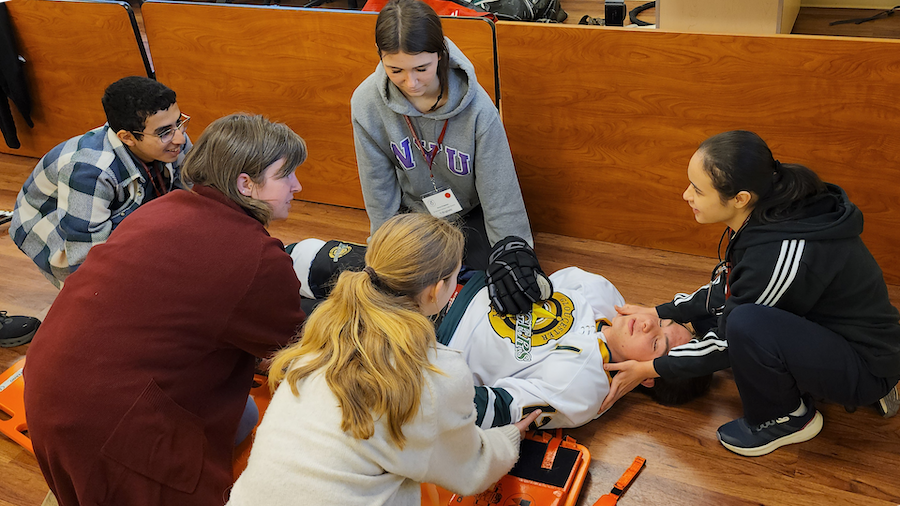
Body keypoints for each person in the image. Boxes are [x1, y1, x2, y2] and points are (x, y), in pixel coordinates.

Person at [23, 114, 307, 506]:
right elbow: (299, 350)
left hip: (49, 394)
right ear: (246, 185)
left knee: (240, 415)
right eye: (286, 175)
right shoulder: (254, 256)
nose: (298, 185)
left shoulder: (162, 208)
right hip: (113, 426)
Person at [603, 130, 900, 457]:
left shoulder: (779, 252)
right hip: (852, 337)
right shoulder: (770, 212)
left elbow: (733, 337)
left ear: (740, 198)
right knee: (735, 318)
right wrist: (660, 311)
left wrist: (650, 369)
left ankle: (787, 418)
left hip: (865, 363)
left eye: (698, 190)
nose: (686, 195)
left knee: (744, 323)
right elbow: (729, 285)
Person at [228, 214, 540, 506]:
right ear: (436, 290)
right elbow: (469, 470)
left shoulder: (321, 337)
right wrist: (510, 436)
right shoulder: (436, 372)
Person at [288, 238, 700, 430]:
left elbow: (493, 409)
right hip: (454, 281)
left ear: (649, 373)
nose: (649, 323)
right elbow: (532, 275)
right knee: (310, 257)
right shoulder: (604, 294)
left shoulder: (585, 389)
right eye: (664, 321)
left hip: (425, 335)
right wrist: (514, 256)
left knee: (298, 322)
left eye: (658, 341)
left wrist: (410, 376)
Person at [350, 0, 533, 273]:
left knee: (488, 279)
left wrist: (515, 254)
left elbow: (500, 193)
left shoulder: (479, 109)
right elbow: (378, 190)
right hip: (412, 215)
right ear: (380, 56)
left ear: (440, 54)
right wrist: (382, 250)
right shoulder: (366, 103)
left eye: (421, 68)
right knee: (401, 279)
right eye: (395, 70)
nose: (410, 83)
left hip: (469, 213)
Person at [11, 76, 191, 288]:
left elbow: (191, 195)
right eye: (164, 132)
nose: (179, 138)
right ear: (127, 137)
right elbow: (86, 259)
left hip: (109, 210)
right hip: (55, 231)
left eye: (178, 122)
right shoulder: (89, 172)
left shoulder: (172, 141)